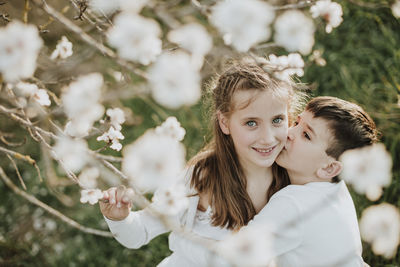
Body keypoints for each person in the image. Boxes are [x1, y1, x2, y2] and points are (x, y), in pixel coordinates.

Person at [99, 58, 303, 266]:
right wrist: (120, 219)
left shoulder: (295, 176)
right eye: (251, 123)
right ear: (225, 123)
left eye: (277, 120)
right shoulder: (201, 178)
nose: (268, 138)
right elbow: (139, 233)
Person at [215, 96, 378, 267]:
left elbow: (235, 254)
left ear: (329, 168)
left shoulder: (295, 203)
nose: (290, 133)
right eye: (296, 123)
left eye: (306, 135)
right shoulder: (336, 190)